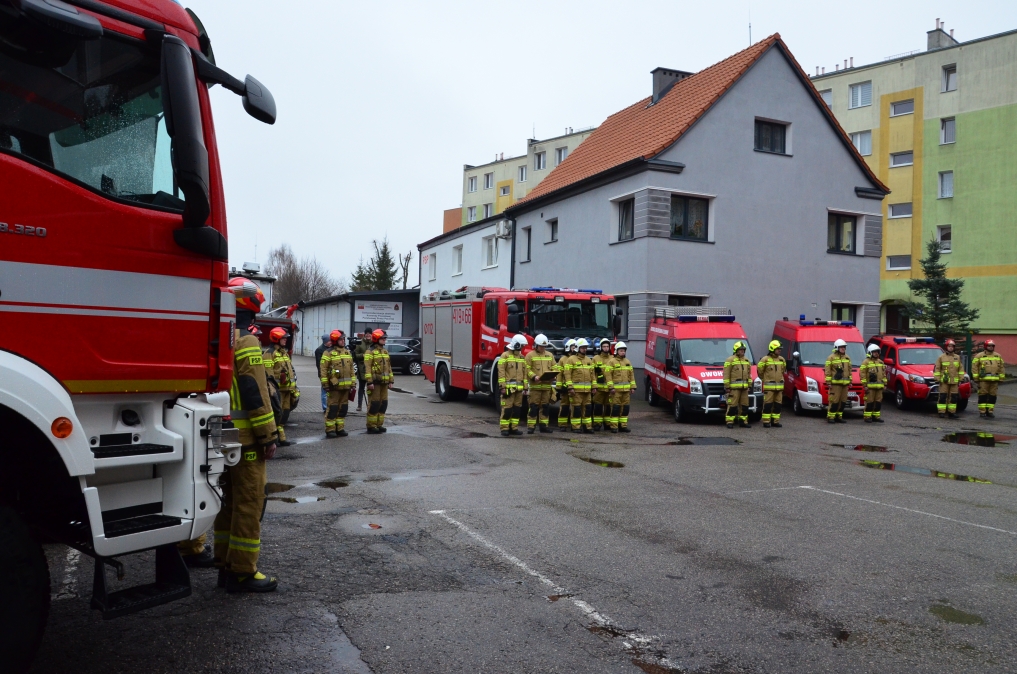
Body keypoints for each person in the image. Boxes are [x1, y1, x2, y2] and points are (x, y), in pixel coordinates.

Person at [215, 277, 278, 592]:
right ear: (251, 306)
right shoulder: (248, 342)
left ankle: (224, 564)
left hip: (220, 437)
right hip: (247, 440)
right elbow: (255, 392)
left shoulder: (219, 337)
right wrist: (269, 435)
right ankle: (242, 572)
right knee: (249, 502)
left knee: (227, 503)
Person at [320, 330, 355, 438]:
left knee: (343, 408)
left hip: (346, 387)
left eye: (343, 339)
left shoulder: (347, 352)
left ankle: (340, 428)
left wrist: (353, 383)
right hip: (334, 387)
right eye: (341, 339)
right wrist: (325, 384)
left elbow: (352, 370)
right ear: (335, 340)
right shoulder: (328, 353)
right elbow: (323, 370)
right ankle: (330, 429)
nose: (343, 341)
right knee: (333, 408)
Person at [267, 328, 297, 447]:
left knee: (284, 414)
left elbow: (290, 372)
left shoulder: (284, 353)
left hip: (287, 390)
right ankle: (275, 438)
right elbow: (268, 375)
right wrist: (272, 391)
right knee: (276, 414)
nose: (285, 340)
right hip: (277, 391)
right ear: (276, 338)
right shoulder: (270, 353)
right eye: (283, 338)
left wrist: (294, 389)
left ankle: (282, 437)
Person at [497, 334, 528, 436]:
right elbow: (501, 372)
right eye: (522, 345)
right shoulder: (505, 356)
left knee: (517, 410)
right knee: (507, 409)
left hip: (519, 390)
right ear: (517, 344)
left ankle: (514, 428)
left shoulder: (522, 357)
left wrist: (525, 387)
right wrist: (502, 386)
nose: (522, 347)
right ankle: (504, 428)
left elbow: (525, 373)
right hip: (508, 389)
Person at [525, 334, 557, 434]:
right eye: (541, 346)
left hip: (546, 387)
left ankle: (544, 426)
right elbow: (526, 369)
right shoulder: (530, 355)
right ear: (536, 345)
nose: (543, 348)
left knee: (545, 407)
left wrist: (554, 375)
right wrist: (534, 376)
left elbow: (555, 367)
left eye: (544, 346)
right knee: (533, 407)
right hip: (535, 387)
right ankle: (531, 427)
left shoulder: (550, 355)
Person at [364, 329, 394, 433]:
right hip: (375, 383)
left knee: (383, 404)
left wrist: (391, 381)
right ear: (377, 338)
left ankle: (379, 425)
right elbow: (367, 368)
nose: (385, 339)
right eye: (383, 338)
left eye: (385, 338)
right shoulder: (370, 352)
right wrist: (369, 382)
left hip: (384, 383)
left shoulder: (385, 351)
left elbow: (389, 367)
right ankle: (371, 426)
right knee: (374, 404)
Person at [567, 338, 595, 433]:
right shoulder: (571, 360)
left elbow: (592, 375)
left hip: (587, 391)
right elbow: (567, 375)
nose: (584, 349)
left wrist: (594, 387)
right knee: (576, 409)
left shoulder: (589, 360)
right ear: (577, 348)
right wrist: (570, 387)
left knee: (587, 409)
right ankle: (576, 427)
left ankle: (587, 427)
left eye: (585, 348)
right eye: (582, 348)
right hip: (576, 391)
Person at [972, 339, 1005, 418]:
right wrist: (976, 378)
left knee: (992, 396)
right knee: (982, 396)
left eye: (992, 346)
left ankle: (990, 411)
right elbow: (974, 367)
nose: (991, 347)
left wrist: (1001, 378)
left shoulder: (998, 356)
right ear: (985, 346)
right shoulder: (979, 356)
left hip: (994, 381)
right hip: (983, 381)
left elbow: (1002, 367)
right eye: (989, 346)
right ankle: (982, 411)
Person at [757, 341, 786, 428]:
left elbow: (783, 371)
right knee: (767, 405)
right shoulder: (765, 360)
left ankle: (775, 421)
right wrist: (765, 379)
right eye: (778, 349)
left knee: (778, 405)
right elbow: (760, 372)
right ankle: (766, 422)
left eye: (780, 349)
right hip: (769, 388)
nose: (780, 350)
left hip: (779, 388)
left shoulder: (782, 359)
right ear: (772, 349)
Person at [607, 342, 635, 433]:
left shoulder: (627, 362)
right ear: (616, 351)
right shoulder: (611, 362)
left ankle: (623, 426)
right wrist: (611, 387)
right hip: (616, 391)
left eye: (624, 351)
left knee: (625, 409)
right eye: (621, 350)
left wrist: (632, 387)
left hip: (626, 391)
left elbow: (631, 376)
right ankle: (614, 426)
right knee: (615, 408)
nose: (623, 352)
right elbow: (608, 376)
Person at [724, 341, 753, 429]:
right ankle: (730, 421)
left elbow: (749, 374)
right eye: (740, 350)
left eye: (743, 350)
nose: (742, 351)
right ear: (736, 350)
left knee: (745, 405)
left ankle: (743, 421)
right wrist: (727, 386)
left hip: (744, 388)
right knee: (732, 405)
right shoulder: (730, 360)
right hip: (734, 388)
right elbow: (726, 374)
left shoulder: (747, 360)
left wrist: (749, 385)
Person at [825, 339, 851, 424]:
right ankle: (831, 417)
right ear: (836, 347)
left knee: (843, 401)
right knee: (834, 401)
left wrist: (850, 381)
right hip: (835, 384)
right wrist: (828, 382)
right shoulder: (831, 358)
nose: (843, 348)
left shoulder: (847, 357)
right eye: (841, 347)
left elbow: (849, 370)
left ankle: (839, 416)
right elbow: (828, 371)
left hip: (845, 384)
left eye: (844, 347)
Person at [935, 339, 963, 418]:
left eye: (952, 346)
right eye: (949, 346)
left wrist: (961, 378)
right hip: (944, 381)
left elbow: (960, 369)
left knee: (953, 397)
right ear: (946, 347)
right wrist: (937, 379)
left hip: (954, 381)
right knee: (943, 396)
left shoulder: (957, 357)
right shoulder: (941, 357)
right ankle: (941, 412)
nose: (951, 348)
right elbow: (937, 369)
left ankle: (952, 412)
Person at [860, 344, 887, 423]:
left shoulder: (880, 362)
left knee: (878, 402)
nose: (876, 353)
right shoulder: (866, 362)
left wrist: (885, 384)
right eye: (874, 352)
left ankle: (876, 417)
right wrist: (865, 385)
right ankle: (867, 417)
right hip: (870, 387)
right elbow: (862, 374)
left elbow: (883, 374)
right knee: (869, 402)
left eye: (877, 352)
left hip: (879, 387)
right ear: (870, 352)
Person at [592, 338, 614, 431]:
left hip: (609, 388)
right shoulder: (595, 358)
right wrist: (593, 386)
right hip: (599, 388)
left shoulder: (612, 358)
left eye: (607, 346)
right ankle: (597, 424)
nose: (606, 348)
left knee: (608, 407)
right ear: (601, 347)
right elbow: (592, 374)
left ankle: (607, 424)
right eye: (604, 346)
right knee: (598, 407)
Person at [556, 339, 576, 430]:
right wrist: (559, 387)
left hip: (576, 387)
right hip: (565, 387)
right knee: (564, 406)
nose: (574, 349)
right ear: (568, 348)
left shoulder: (578, 359)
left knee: (576, 407)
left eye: (575, 347)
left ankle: (575, 425)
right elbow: (559, 374)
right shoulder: (563, 359)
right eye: (573, 347)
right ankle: (562, 424)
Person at [354, 332, 372, 412]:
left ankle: (370, 405)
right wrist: (362, 355)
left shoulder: (373, 344)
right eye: (366, 334)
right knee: (361, 388)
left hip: (371, 369)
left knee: (370, 388)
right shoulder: (360, 343)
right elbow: (355, 355)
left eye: (369, 334)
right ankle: (359, 405)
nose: (368, 335)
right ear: (365, 335)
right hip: (361, 369)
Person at [314, 334, 331, 413]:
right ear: (325, 341)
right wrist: (322, 375)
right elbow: (319, 364)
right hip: (323, 374)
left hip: (331, 374)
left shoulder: (331, 348)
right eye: (329, 341)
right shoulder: (319, 350)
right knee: (324, 391)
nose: (331, 342)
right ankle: (325, 408)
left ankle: (330, 406)